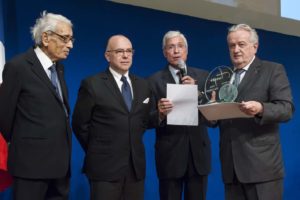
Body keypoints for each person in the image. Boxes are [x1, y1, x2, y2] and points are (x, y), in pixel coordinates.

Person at [0, 11, 73, 199]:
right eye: (65, 38)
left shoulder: (59, 69)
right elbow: (4, 117)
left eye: (71, 39)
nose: (70, 45)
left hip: (59, 169)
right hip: (30, 168)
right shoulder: (18, 67)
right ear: (46, 38)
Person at [218, 23, 294, 200]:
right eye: (232, 45)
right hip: (231, 170)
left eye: (241, 44)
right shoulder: (223, 78)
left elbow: (286, 109)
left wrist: (261, 108)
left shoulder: (272, 70)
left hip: (262, 169)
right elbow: (219, 120)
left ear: (255, 46)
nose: (236, 50)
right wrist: (212, 108)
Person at [72, 35, 152, 200]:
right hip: (104, 168)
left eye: (129, 51)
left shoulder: (143, 85)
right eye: (120, 51)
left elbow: (141, 122)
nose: (125, 55)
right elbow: (80, 125)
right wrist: (99, 149)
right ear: (107, 55)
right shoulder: (92, 84)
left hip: (135, 169)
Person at [147, 30, 211, 200]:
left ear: (187, 51)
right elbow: (146, 119)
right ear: (164, 52)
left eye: (180, 46)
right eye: (171, 47)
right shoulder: (153, 81)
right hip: (169, 157)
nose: (176, 51)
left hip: (198, 156)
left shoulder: (203, 78)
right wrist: (160, 113)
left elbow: (214, 118)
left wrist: (198, 94)